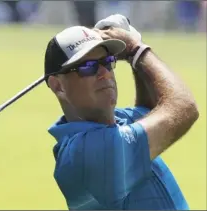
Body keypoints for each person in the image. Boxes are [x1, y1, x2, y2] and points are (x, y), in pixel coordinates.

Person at [43, 14, 199, 210]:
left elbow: (152, 111)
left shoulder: (112, 122)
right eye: (88, 67)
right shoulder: (87, 153)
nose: (104, 73)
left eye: (107, 61)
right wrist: (136, 50)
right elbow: (183, 108)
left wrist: (134, 59)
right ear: (58, 86)